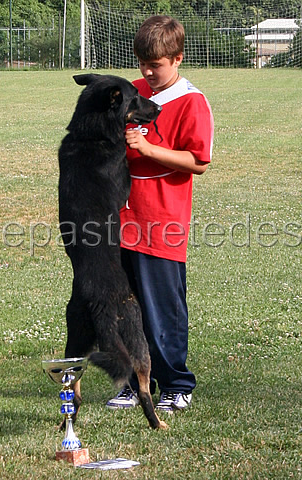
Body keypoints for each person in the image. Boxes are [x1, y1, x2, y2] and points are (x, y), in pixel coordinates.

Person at [106, 15, 214, 413]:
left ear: (178, 58)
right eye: (142, 63)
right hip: (122, 219)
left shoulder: (191, 102)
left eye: (157, 64)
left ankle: (176, 383)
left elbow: (198, 161)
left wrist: (148, 149)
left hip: (162, 221)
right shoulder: (132, 92)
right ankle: (134, 383)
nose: (148, 72)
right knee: (124, 308)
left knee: (162, 307)